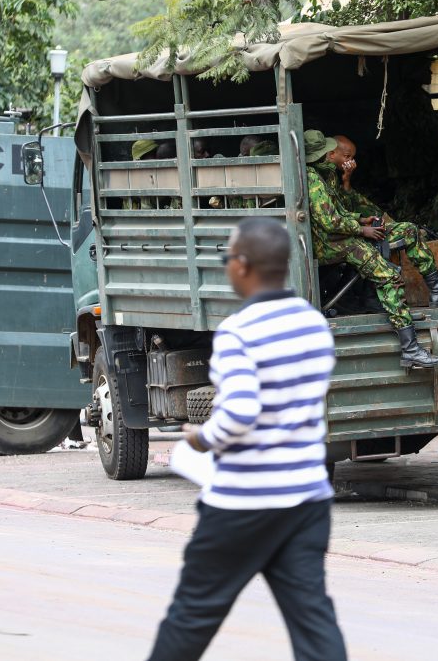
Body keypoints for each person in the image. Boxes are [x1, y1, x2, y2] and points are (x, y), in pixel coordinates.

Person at [147, 217, 347, 661]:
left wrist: (201, 439)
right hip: (306, 498)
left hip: (244, 502)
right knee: (313, 620)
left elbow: (239, 413)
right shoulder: (314, 324)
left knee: (192, 614)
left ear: (242, 265)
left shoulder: (239, 332)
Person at [305, 130, 438, 368]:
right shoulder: (312, 179)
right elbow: (329, 223)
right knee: (390, 276)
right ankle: (410, 349)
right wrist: (362, 230)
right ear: (326, 155)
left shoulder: (326, 175)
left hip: (346, 233)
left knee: (409, 230)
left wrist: (361, 220)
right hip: (333, 243)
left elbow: (339, 211)